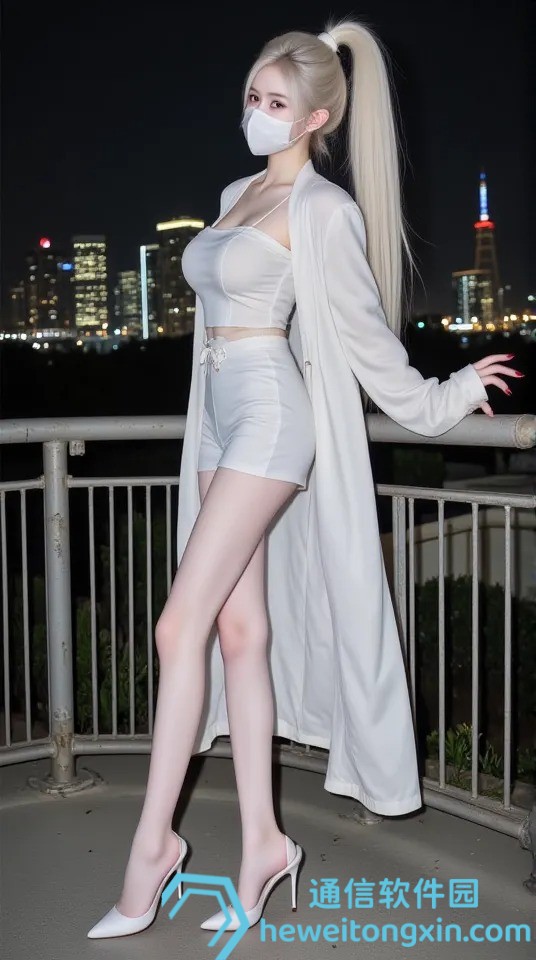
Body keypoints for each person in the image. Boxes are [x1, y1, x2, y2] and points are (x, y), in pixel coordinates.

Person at [87, 17, 518, 940]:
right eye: (253, 95)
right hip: (219, 416)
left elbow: (366, 342)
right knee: (240, 633)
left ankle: (151, 847)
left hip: (273, 420)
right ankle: (263, 845)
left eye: (276, 101)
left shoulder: (324, 210)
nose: (257, 112)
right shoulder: (235, 192)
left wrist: (448, 393)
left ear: (317, 116)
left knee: (177, 627)